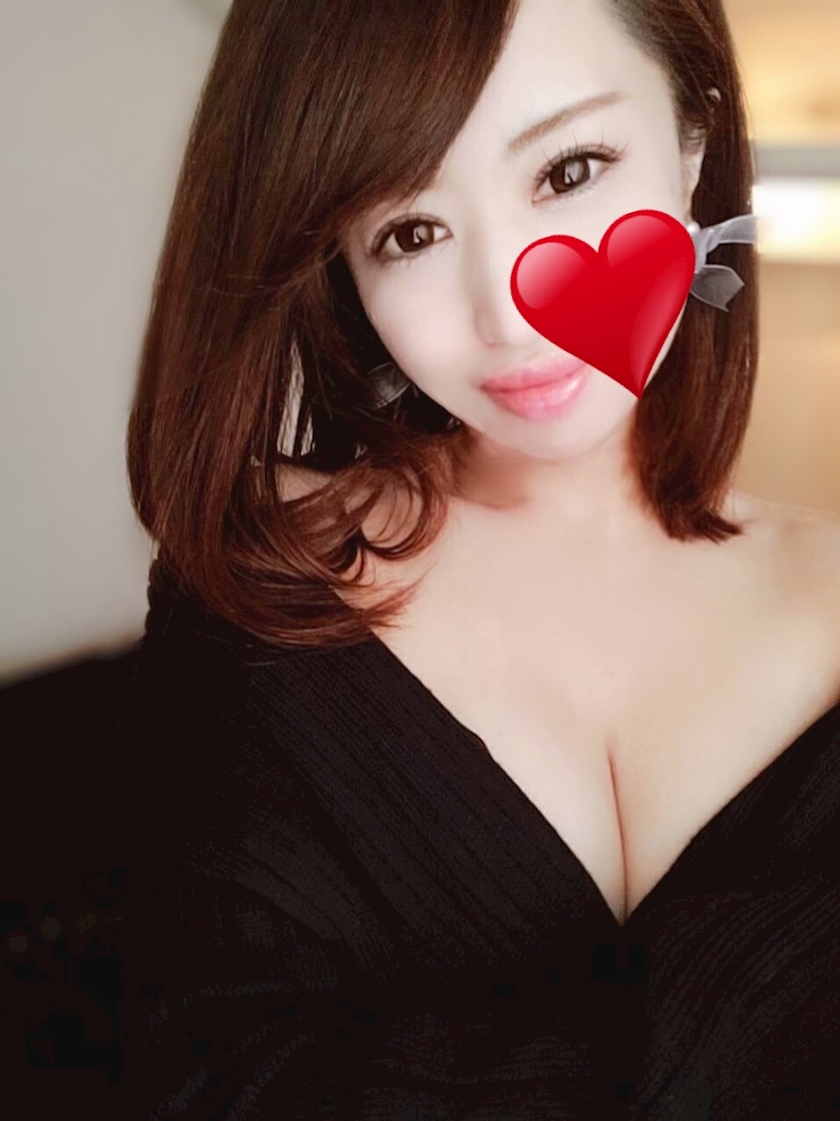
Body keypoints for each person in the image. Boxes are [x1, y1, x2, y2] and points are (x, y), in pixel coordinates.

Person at [116, 0, 840, 1116]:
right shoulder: (264, 580)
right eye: (409, 232)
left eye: (570, 170)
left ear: (693, 142)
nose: (510, 309)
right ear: (340, 264)